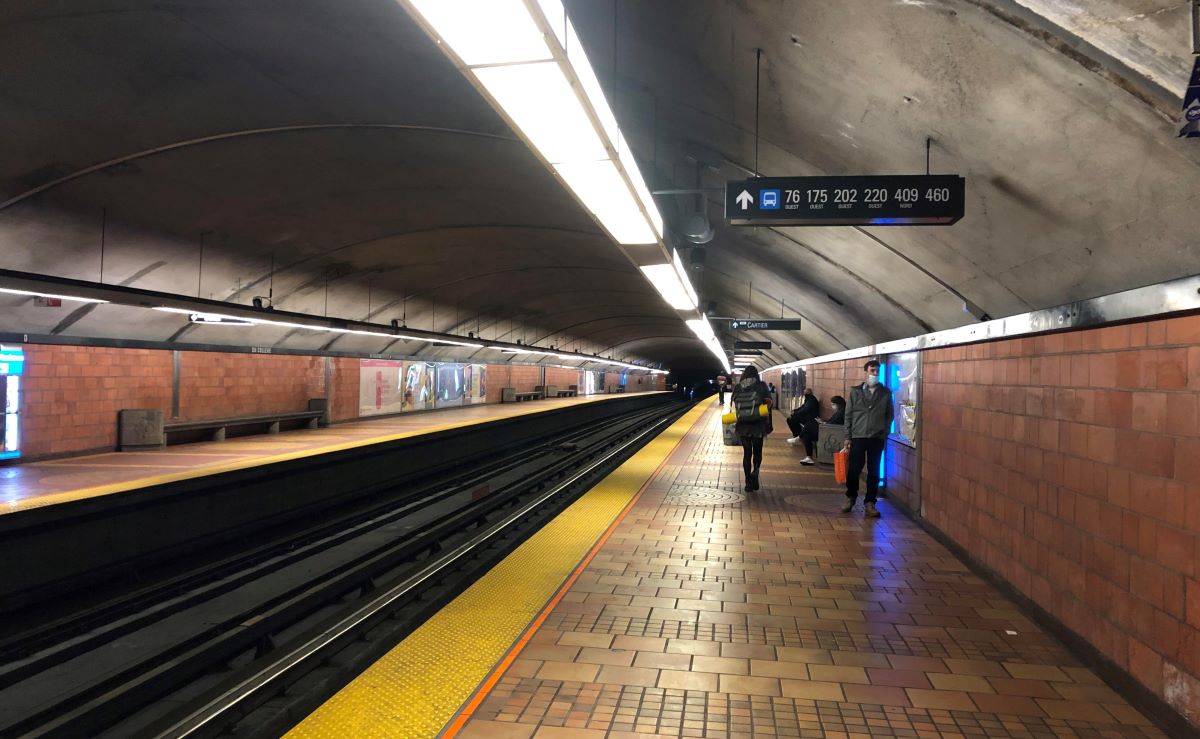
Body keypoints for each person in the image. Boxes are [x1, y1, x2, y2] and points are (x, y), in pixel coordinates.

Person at [841, 360, 893, 518]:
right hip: (858, 436)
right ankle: (851, 497)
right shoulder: (855, 392)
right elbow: (848, 415)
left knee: (874, 471)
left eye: (877, 371)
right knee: (854, 469)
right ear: (866, 372)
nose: (875, 374)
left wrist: (884, 432)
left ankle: (870, 502)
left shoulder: (885, 393)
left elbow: (889, 415)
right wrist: (847, 436)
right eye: (872, 370)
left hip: (876, 438)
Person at [731, 366, 772, 492]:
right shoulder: (762, 386)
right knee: (757, 452)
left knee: (747, 453)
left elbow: (734, 404)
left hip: (743, 425)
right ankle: (755, 473)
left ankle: (748, 482)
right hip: (758, 425)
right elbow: (769, 403)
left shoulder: (738, 387)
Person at [785, 387, 819, 465]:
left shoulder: (811, 400)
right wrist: (795, 411)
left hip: (810, 419)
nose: (804, 394)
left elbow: (805, 409)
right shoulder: (809, 399)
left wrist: (796, 412)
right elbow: (803, 407)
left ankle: (798, 436)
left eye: (805, 392)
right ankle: (799, 437)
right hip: (809, 419)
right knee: (792, 419)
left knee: (793, 420)